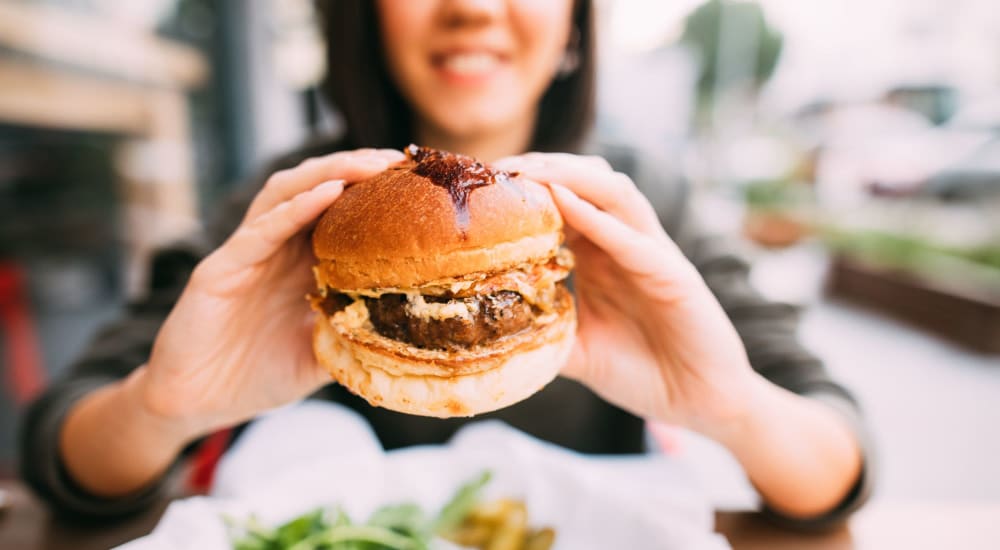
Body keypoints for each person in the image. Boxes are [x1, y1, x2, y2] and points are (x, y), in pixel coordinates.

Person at [20, 0, 870, 528]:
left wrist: (729, 407)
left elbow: (839, 462)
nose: (469, 6)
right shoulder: (292, 211)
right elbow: (60, 454)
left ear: (575, 19)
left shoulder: (637, 205)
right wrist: (165, 409)